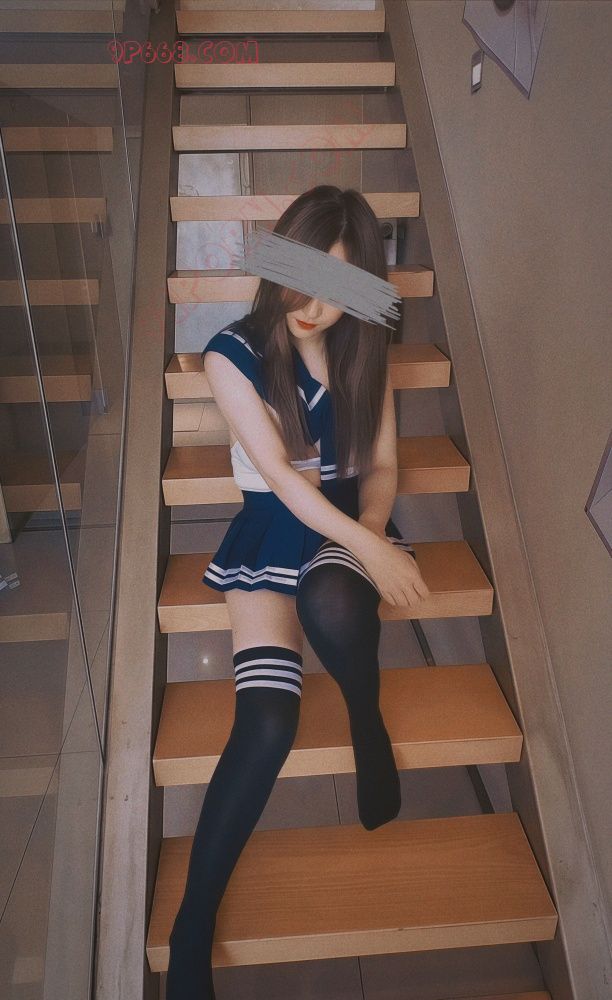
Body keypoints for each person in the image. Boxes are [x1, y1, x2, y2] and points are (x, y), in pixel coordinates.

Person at [166, 185, 430, 999]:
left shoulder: (366, 339)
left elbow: (381, 466)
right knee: (269, 721)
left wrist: (369, 531)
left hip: (350, 519)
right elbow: (281, 480)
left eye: (336, 287)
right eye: (301, 279)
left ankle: (363, 714)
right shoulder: (231, 353)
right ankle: (191, 926)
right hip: (274, 523)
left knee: (332, 599)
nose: (313, 307)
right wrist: (371, 549)